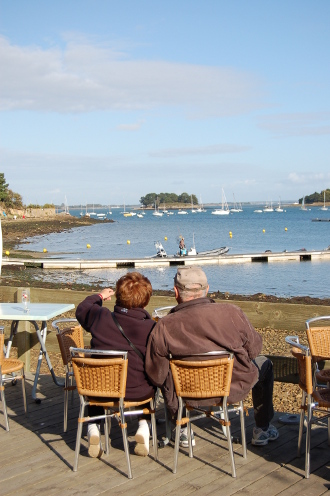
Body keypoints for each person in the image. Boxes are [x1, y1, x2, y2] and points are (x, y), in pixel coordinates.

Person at [145, 266, 279, 448]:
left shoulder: (165, 325)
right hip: (231, 388)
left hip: (186, 392)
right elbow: (255, 349)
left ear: (176, 292)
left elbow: (156, 373)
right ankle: (262, 429)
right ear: (207, 289)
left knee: (166, 372)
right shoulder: (232, 313)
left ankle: (182, 427)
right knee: (265, 364)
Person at [76, 271, 156, 458]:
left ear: (118, 297)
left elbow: (82, 308)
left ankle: (94, 428)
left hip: (99, 390)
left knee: (99, 379)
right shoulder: (150, 327)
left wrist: (100, 296)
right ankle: (144, 426)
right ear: (145, 301)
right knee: (150, 379)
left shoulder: (100, 317)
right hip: (136, 391)